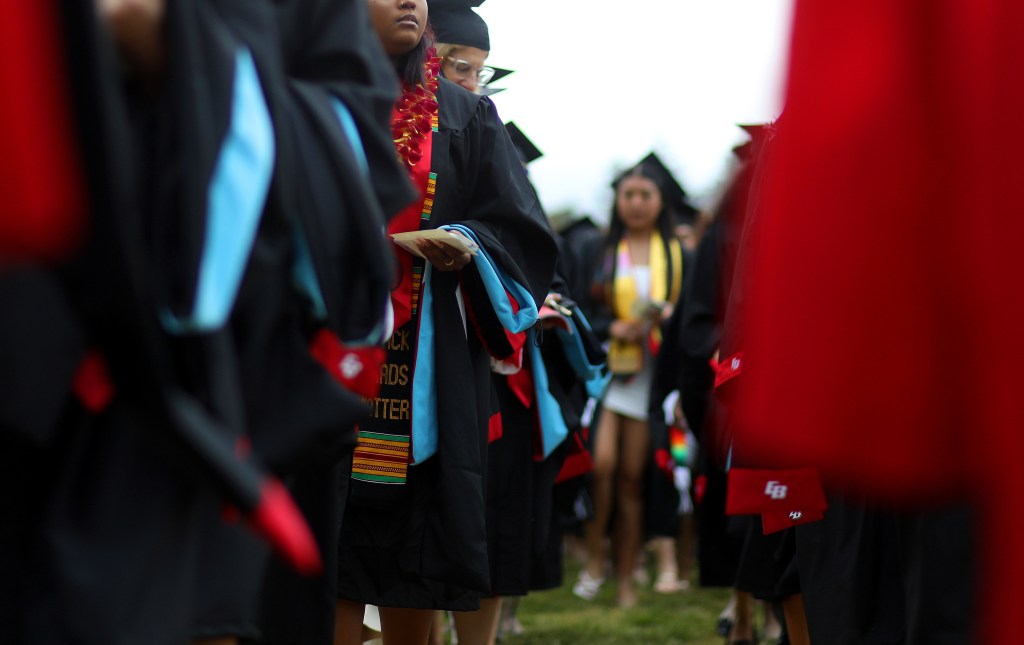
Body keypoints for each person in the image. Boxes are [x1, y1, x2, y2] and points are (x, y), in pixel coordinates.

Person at [333, 1, 557, 644]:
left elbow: (519, 229)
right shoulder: (309, 95)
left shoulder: (464, 114)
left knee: (421, 533)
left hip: (426, 370)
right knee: (330, 532)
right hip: (324, 361)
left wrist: (464, 240)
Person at [575, 153, 689, 608]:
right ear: (617, 200)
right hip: (608, 374)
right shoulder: (598, 251)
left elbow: (689, 318)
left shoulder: (679, 255)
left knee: (631, 478)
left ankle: (624, 576)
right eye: (628, 195)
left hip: (652, 377)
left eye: (645, 195)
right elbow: (581, 309)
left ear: (661, 202)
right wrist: (611, 329)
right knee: (599, 465)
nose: (636, 203)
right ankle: (595, 557)